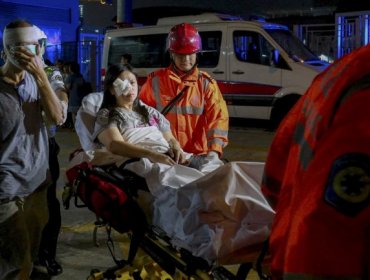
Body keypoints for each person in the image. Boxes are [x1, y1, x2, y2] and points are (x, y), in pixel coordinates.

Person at [73, 64, 274, 262]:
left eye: (133, 83)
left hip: (171, 156)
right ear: (110, 89)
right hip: (148, 160)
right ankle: (250, 220)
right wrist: (153, 155)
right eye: (122, 84)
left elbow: (169, 137)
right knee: (217, 180)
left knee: (230, 171)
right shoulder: (107, 114)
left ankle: (268, 211)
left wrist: (176, 148)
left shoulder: (148, 112)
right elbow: (116, 145)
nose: (129, 88)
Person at [261, 44, 370, 279]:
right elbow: (327, 236)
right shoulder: (363, 98)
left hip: (289, 254)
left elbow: (273, 179)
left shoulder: (341, 71)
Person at [0, 19, 64, 279]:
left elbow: (57, 117)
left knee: (32, 254)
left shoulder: (39, 80)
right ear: (9, 50)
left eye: (35, 48)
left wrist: (40, 77)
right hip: (6, 190)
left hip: (37, 185)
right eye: (22, 48)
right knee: (18, 264)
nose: (31, 54)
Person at [139, 23, 229, 169]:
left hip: (198, 157)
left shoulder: (206, 84)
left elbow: (219, 119)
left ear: (196, 53)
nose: (186, 59)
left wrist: (214, 152)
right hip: (165, 154)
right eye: (181, 54)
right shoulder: (155, 81)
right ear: (171, 54)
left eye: (190, 53)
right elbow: (142, 116)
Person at [34, 26, 68, 276]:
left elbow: (60, 109)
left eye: (35, 45)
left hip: (44, 145)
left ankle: (46, 254)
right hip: (11, 148)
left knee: (47, 202)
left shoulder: (51, 72)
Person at [66, 61, 84, 127]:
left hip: (73, 98)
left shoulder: (70, 77)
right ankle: (80, 127)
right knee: (80, 114)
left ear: (71, 69)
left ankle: (75, 127)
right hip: (81, 97)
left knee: (74, 114)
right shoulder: (81, 76)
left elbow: (67, 87)